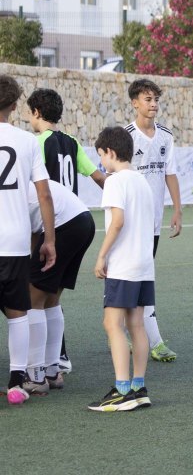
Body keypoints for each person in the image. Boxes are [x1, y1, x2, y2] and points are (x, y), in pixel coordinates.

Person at [27, 87, 105, 374]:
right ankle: (57, 359)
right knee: (52, 296)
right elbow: (98, 177)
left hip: (52, 222)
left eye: (30, 114)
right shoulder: (72, 142)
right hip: (74, 215)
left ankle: (41, 366)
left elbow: (39, 193)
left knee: (36, 295)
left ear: (36, 112)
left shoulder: (36, 143)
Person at [90, 126, 156, 412]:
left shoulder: (115, 181)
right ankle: (139, 388)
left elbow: (117, 222)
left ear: (111, 152)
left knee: (112, 324)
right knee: (136, 324)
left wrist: (101, 255)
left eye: (101, 155)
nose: (101, 161)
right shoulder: (142, 181)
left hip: (123, 264)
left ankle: (121, 390)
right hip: (144, 265)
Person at [0, 75, 56, 406]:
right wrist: (49, 239)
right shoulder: (27, 141)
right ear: (14, 104)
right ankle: (16, 382)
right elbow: (44, 195)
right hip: (15, 241)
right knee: (18, 312)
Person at [125, 78, 181, 362]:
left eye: (156, 99)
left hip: (154, 222)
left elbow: (170, 173)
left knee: (139, 277)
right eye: (148, 99)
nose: (154, 104)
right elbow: (114, 177)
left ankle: (127, 332)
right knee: (136, 277)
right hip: (130, 222)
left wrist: (177, 209)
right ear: (135, 103)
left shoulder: (165, 136)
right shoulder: (126, 136)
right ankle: (153, 341)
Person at [22, 180, 95, 396]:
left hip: (63, 225)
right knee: (51, 299)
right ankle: (52, 372)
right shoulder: (19, 180)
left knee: (33, 299)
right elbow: (34, 231)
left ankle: (36, 376)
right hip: (83, 220)